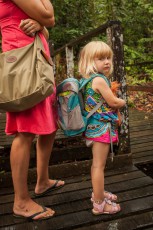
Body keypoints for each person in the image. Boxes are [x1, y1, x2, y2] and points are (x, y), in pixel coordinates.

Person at [0, 0, 64, 221]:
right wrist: (44, 21)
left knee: (50, 125)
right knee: (25, 132)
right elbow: (50, 17)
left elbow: (45, 27)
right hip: (23, 65)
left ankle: (42, 181)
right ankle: (20, 201)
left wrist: (39, 26)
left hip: (39, 61)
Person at [78, 41, 126, 215]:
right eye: (101, 59)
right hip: (101, 129)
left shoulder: (87, 79)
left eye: (108, 58)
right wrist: (123, 101)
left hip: (93, 127)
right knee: (98, 166)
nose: (106, 62)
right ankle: (99, 204)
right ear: (89, 61)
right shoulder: (99, 79)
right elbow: (113, 102)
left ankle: (99, 192)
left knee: (96, 165)